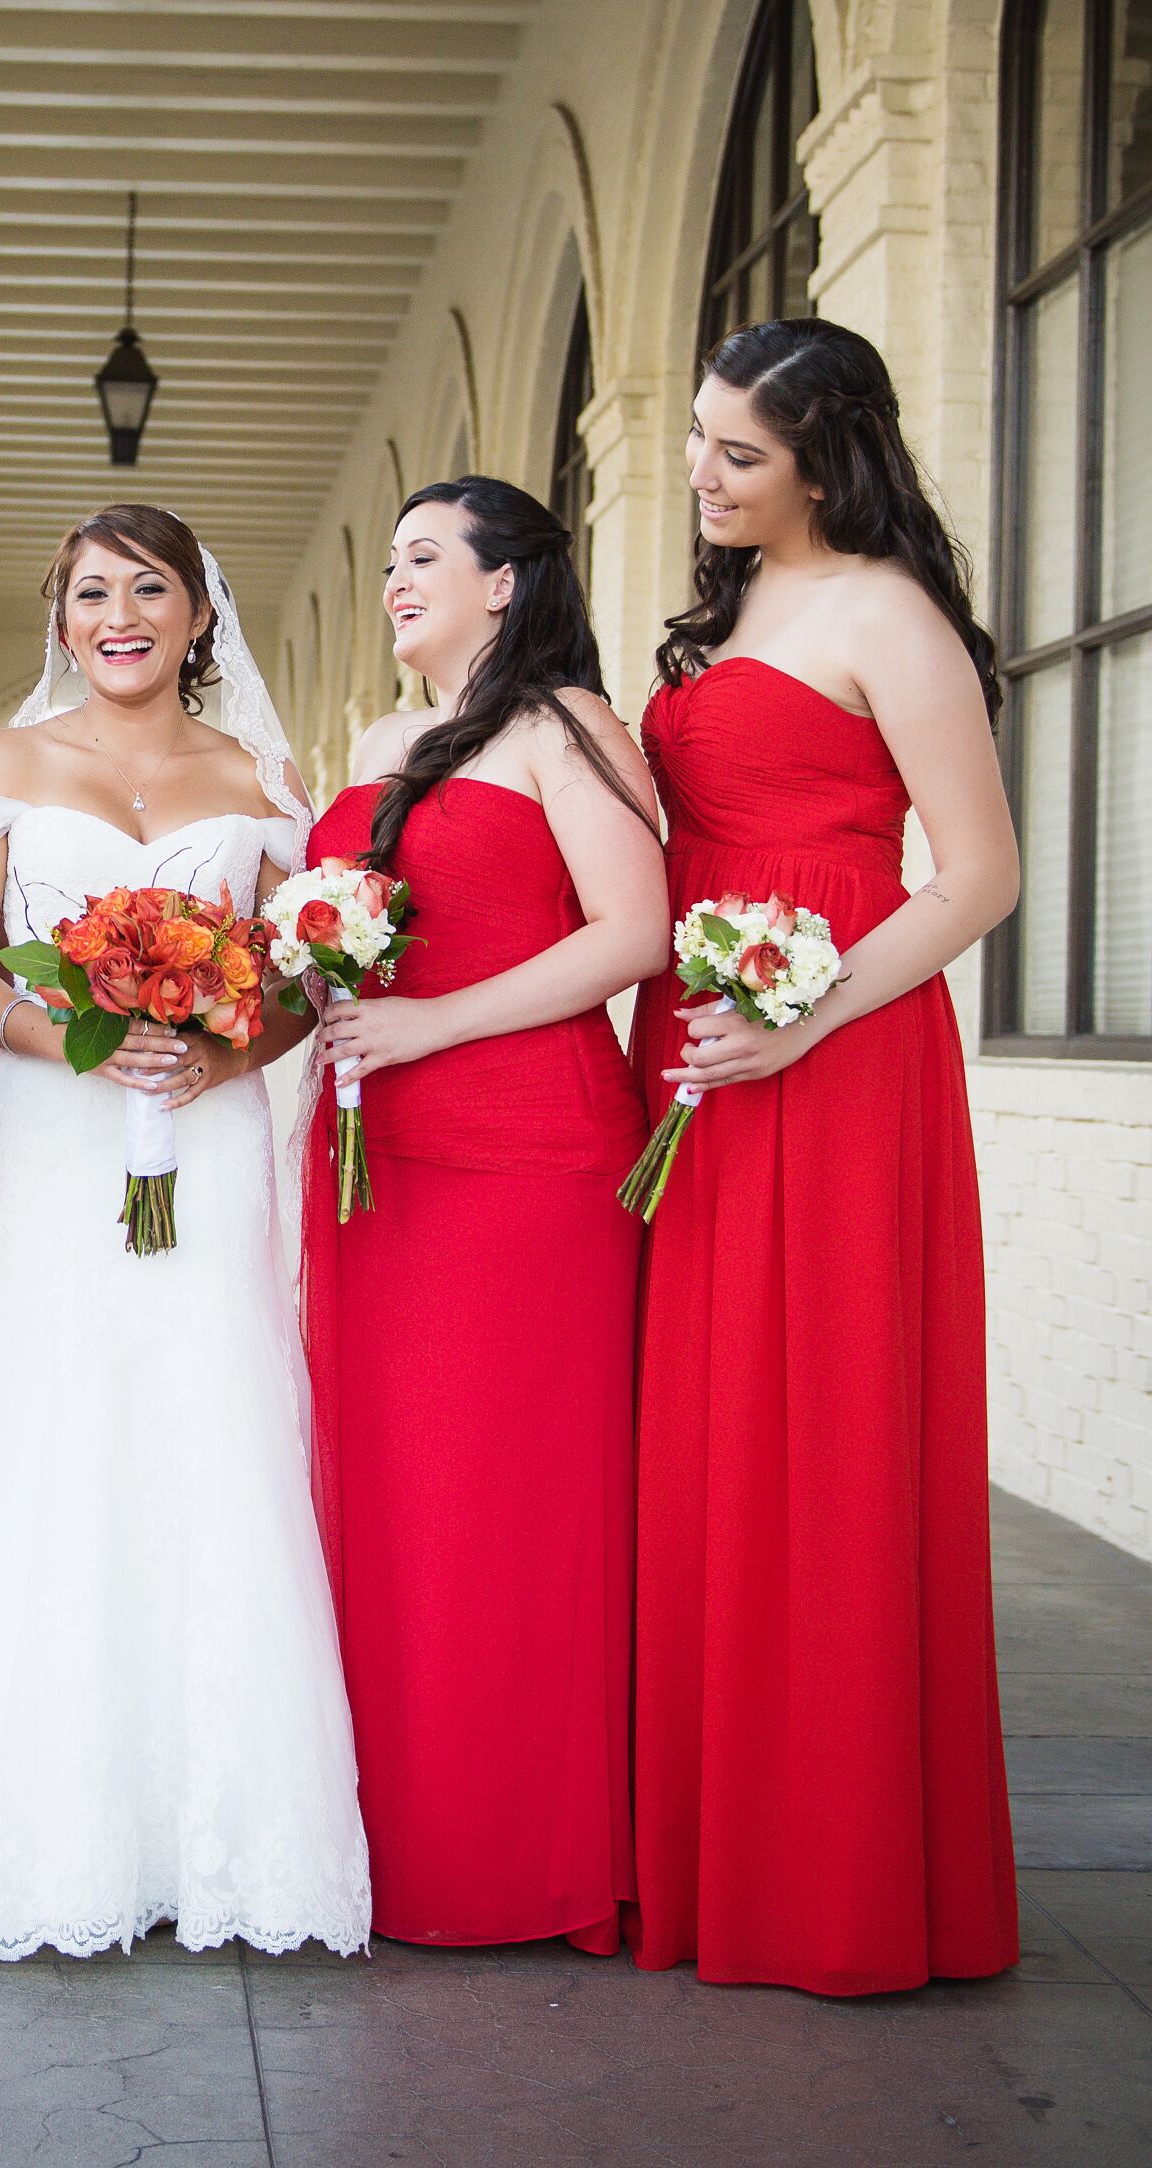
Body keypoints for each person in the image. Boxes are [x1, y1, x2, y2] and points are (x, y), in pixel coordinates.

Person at [0, 504, 370, 1963]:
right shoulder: (2, 764)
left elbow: (303, 976)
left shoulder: (257, 778)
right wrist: (68, 1037)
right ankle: (32, 1826)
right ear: (60, 621)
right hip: (61, 1145)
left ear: (198, 613)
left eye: (146, 589)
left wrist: (224, 1054)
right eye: (87, 595)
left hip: (211, 1133)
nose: (115, 614)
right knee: (52, 1431)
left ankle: (220, 1836)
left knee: (213, 1425)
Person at [631, 316, 1020, 1994]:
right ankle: (712, 1846)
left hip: (837, 1052)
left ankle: (839, 1873)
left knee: (829, 1426)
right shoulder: (729, 614)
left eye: (739, 455)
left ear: (825, 457)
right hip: (701, 1043)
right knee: (711, 1425)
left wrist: (807, 1018)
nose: (703, 477)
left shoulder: (885, 610)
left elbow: (978, 874)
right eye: (701, 443)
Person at [305, 478, 666, 1950]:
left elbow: (631, 932)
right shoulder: (386, 742)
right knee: (387, 1504)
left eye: (421, 560)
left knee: (501, 1506)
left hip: (525, 1162)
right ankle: (383, 1840)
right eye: (386, 562)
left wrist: (432, 1024)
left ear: (506, 582)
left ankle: (513, 1856)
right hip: (370, 1163)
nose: (395, 582)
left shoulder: (567, 727)